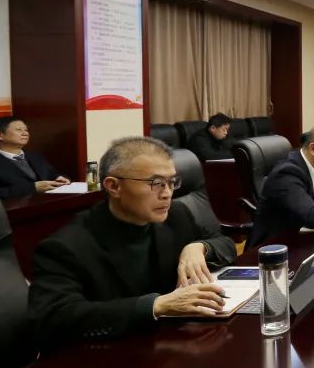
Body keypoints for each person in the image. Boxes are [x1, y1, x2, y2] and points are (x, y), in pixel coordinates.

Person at [27, 136, 237, 349]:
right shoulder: (66, 246)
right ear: (114, 186)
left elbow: (225, 244)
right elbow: (54, 318)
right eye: (156, 183)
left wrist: (199, 247)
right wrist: (153, 306)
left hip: (169, 344)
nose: (167, 194)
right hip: (106, 354)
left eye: (172, 182)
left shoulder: (176, 215)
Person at [0, 116, 69, 198]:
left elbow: (52, 174)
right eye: (19, 130)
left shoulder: (34, 156)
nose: (25, 133)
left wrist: (59, 179)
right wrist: (32, 188)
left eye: (26, 130)